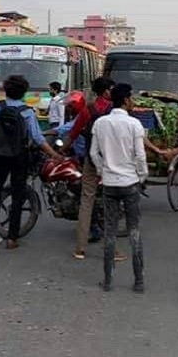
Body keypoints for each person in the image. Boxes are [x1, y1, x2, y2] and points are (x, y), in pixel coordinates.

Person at [0, 75, 62, 249]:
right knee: (18, 195)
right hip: (20, 156)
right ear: (24, 92)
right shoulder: (27, 112)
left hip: (0, 155)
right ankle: (12, 238)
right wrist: (54, 154)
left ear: (6, 90)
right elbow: (38, 138)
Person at [90, 83, 147, 293]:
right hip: (130, 182)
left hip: (109, 183)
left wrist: (101, 171)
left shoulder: (101, 123)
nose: (132, 101)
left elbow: (94, 153)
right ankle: (138, 280)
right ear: (125, 100)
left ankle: (107, 280)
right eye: (131, 98)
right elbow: (140, 156)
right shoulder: (134, 125)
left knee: (110, 232)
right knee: (134, 231)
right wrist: (141, 176)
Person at [66, 77, 116, 258]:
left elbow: (73, 133)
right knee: (112, 203)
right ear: (106, 91)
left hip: (91, 159)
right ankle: (112, 250)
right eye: (112, 88)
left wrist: (59, 151)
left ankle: (80, 248)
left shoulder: (88, 111)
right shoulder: (114, 111)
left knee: (87, 201)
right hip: (112, 161)